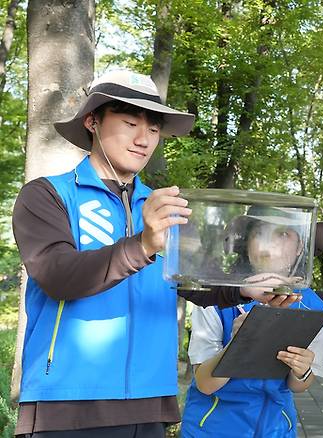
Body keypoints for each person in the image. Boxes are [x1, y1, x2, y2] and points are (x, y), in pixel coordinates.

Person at [10, 70, 277, 438]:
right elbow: (57, 275)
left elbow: (194, 283)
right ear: (92, 121)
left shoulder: (166, 207)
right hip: (67, 403)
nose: (143, 139)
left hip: (152, 402)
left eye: (154, 129)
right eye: (130, 122)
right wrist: (144, 244)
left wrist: (244, 289)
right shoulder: (47, 195)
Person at [180, 206, 323, 438]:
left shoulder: (314, 306)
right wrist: (237, 344)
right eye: (259, 233)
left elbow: (300, 384)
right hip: (212, 428)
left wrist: (301, 370)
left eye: (282, 234)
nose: (268, 245)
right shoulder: (216, 295)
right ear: (246, 242)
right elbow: (205, 383)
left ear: (301, 245)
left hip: (277, 429)